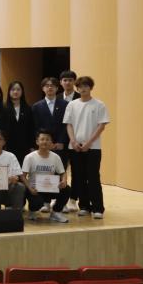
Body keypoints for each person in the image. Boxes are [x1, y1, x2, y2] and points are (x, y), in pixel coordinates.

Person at [64, 76, 109, 219]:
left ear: (91, 87)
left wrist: (88, 143)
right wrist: (73, 141)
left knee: (93, 177)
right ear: (77, 88)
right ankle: (84, 206)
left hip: (93, 148)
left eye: (86, 86)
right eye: (80, 86)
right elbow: (69, 124)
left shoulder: (99, 104)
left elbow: (101, 126)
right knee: (79, 177)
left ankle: (98, 208)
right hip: (75, 147)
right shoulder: (72, 105)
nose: (83, 89)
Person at [22, 129, 71, 223]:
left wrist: (64, 181)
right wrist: (30, 188)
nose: (45, 141)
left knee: (66, 189)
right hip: (35, 189)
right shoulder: (30, 157)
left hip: (50, 188)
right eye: (42, 139)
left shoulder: (55, 157)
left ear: (51, 142)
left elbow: (62, 172)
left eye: (47, 139)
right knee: (37, 202)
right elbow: (23, 176)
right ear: (37, 142)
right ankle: (32, 211)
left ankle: (56, 212)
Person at [32, 77, 70, 169]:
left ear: (57, 88)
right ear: (43, 88)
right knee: (44, 171)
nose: (50, 88)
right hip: (43, 145)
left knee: (60, 170)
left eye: (52, 86)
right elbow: (35, 126)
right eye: (47, 86)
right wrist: (45, 142)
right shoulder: (36, 106)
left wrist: (61, 142)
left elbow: (67, 125)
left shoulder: (65, 104)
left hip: (60, 146)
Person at [4, 81, 35, 159]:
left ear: (22, 92)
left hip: (24, 146)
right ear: (9, 92)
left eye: (18, 89)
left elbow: (31, 128)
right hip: (7, 146)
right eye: (13, 89)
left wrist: (32, 146)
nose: (15, 92)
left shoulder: (28, 108)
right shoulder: (3, 108)